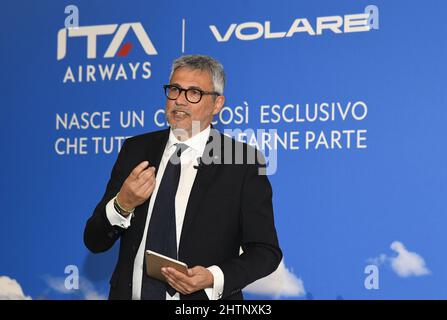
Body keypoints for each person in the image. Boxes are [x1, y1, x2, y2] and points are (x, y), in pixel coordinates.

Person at [84, 55, 282, 300]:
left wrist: (213, 277)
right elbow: (94, 240)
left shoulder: (241, 162)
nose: (179, 101)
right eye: (174, 90)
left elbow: (265, 251)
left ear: (217, 103)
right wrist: (122, 204)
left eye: (194, 93)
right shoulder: (136, 150)